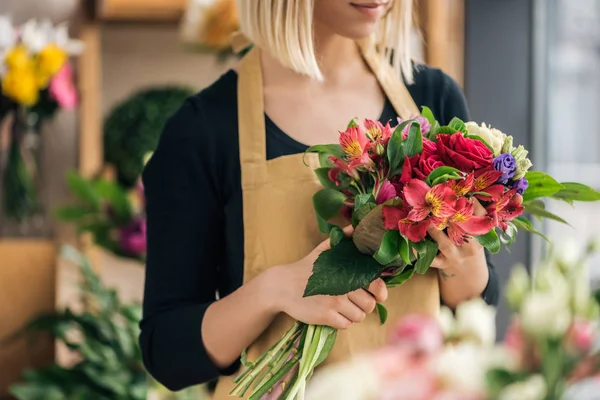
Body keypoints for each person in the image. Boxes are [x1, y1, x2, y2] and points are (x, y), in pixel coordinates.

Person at [139, 0, 500, 396]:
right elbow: (168, 352)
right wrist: (273, 291)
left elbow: (474, 306)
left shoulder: (433, 97)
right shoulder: (202, 131)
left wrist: (464, 262)